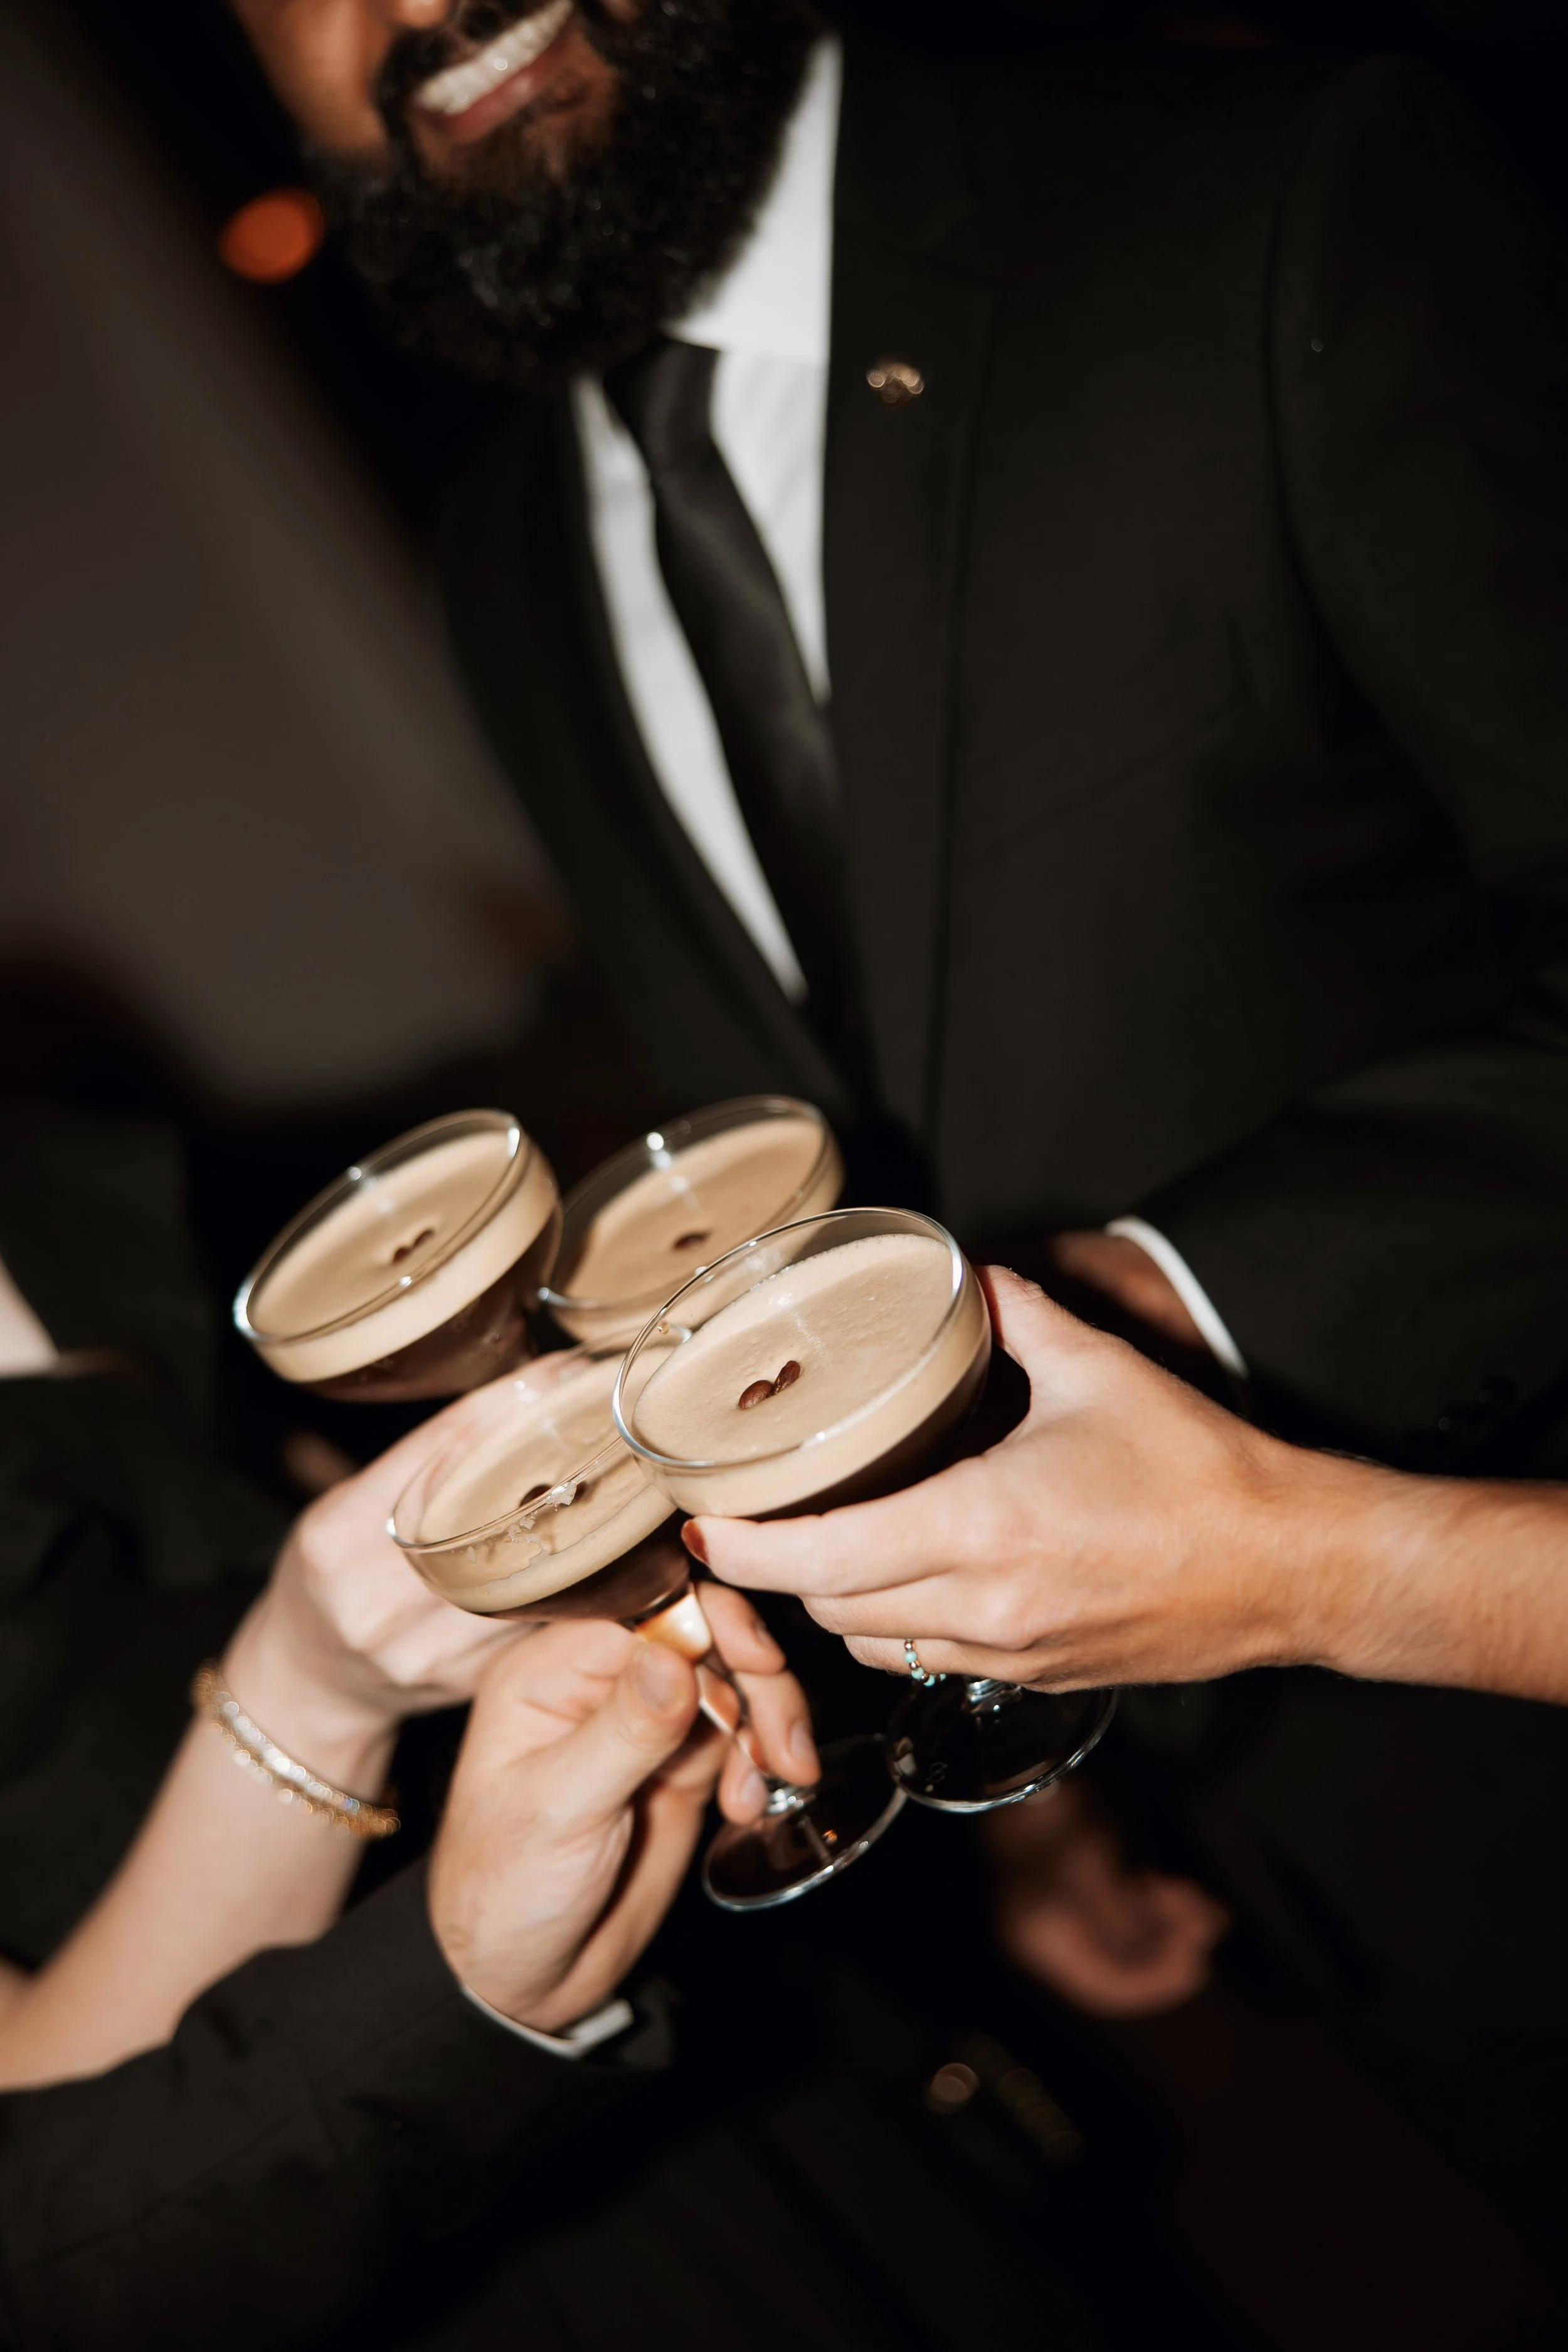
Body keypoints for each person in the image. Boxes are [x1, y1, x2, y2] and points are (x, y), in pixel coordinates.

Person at [227, 0, 1568, 2240]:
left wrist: (1129, 1303)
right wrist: (1019, 1783)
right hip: (1319, 1881)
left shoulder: (1275, 188)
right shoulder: (507, 564)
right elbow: (807, 1128)